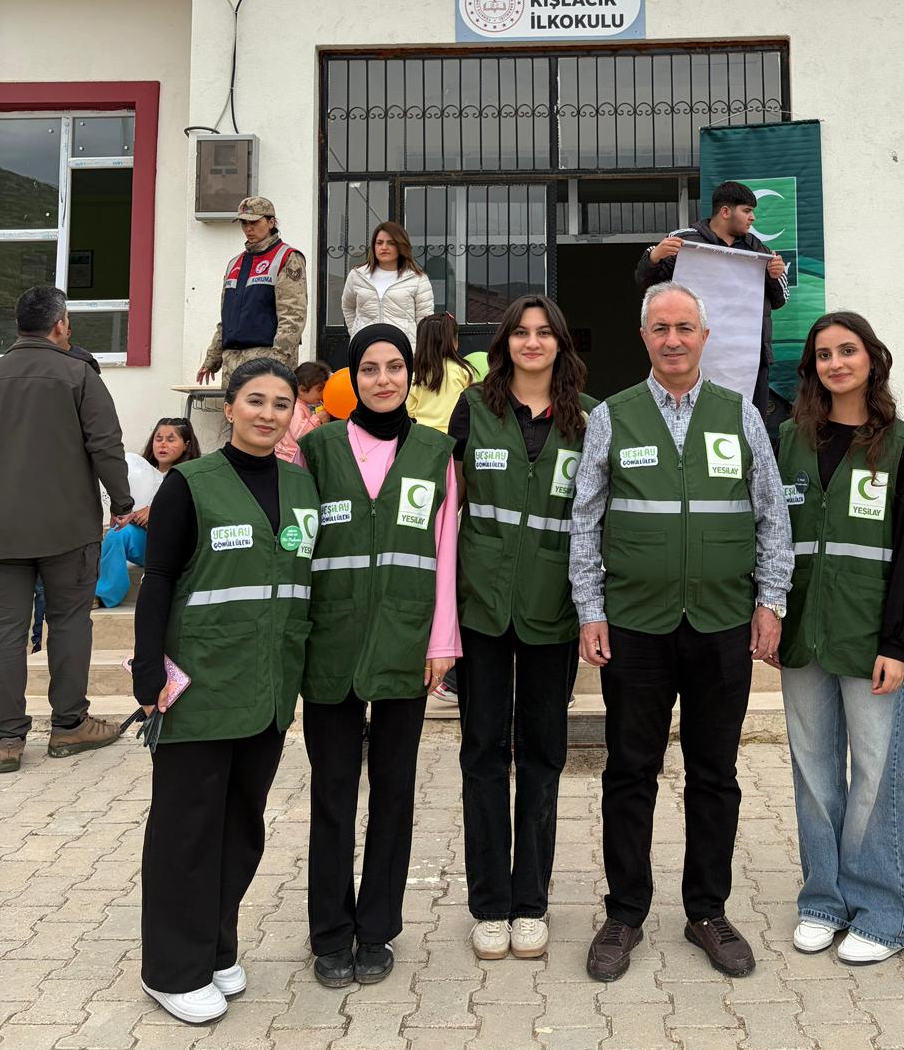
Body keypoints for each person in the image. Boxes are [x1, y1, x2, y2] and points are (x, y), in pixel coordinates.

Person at [570, 281, 792, 982]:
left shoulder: (739, 414)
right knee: (631, 771)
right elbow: (585, 517)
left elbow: (771, 515)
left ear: (704, 336)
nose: (673, 339)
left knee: (714, 774)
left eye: (685, 327)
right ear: (645, 338)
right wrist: (590, 608)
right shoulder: (612, 416)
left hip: (723, 624)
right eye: (660, 328)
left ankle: (708, 911)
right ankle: (624, 912)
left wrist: (771, 600)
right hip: (634, 626)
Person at [133, 359, 320, 1026]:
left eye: (280, 403)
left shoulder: (302, 487)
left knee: (240, 828)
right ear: (230, 407)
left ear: (294, 413)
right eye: (254, 401)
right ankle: (171, 970)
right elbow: (157, 581)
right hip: (200, 686)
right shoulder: (192, 483)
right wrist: (146, 671)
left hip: (268, 687)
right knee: (186, 830)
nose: (267, 414)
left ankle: (214, 948)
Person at [298, 323, 459, 989]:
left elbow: (446, 549)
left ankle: (377, 927)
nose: (384, 378)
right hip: (329, 641)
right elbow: (296, 546)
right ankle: (330, 932)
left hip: (404, 639)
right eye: (370, 368)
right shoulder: (317, 449)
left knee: (392, 794)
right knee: (333, 793)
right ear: (350, 378)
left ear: (411, 375)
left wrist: (442, 641)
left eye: (396, 366)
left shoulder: (436, 452)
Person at [773, 313, 904, 964]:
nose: (837, 362)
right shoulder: (788, 439)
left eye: (849, 350)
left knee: (876, 775)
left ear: (872, 358)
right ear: (810, 368)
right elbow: (770, 535)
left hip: (871, 638)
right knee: (813, 776)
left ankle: (886, 910)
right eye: (824, 354)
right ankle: (824, 899)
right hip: (803, 634)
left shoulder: (902, 443)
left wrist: (898, 643)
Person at [448, 295, 595, 963]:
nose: (532, 343)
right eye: (520, 333)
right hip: (480, 606)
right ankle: (490, 903)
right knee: (482, 751)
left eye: (545, 333)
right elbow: (444, 505)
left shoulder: (588, 422)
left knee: (543, 753)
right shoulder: (472, 409)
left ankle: (530, 901)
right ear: (503, 343)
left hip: (552, 610)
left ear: (561, 345)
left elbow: (599, 520)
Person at [0, 285, 135, 774]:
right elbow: (106, 445)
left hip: (3, 531)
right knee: (71, 622)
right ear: (60, 325)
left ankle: (6, 739)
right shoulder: (78, 374)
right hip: (68, 528)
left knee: (5, 632)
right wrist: (122, 502)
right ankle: (69, 724)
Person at [635, 181, 789, 420]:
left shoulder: (759, 249)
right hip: (694, 349)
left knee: (747, 421)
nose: (753, 218)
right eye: (747, 211)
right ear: (726, 211)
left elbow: (780, 300)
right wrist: (653, 257)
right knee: (690, 417)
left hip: (748, 357)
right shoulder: (683, 240)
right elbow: (646, 285)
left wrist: (776, 275)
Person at [197, 197, 308, 386]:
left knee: (265, 414)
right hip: (232, 361)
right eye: (244, 223)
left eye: (254, 222)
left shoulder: (287, 257)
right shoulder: (235, 263)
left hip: (267, 359)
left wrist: (277, 361)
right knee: (234, 415)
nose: (248, 228)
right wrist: (212, 359)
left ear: (271, 222)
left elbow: (293, 316)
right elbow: (227, 319)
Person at [95, 418, 202, 608]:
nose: (162, 444)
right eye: (158, 438)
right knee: (116, 534)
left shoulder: (193, 477)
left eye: (170, 439)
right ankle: (105, 595)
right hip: (146, 545)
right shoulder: (139, 473)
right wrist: (128, 515)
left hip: (176, 550)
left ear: (186, 445)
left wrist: (156, 511)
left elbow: (195, 519)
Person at [340, 221, 435, 348]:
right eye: (379, 242)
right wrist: (356, 333)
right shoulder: (357, 275)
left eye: (391, 243)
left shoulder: (417, 279)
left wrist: (417, 348)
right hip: (365, 347)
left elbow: (425, 320)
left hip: (402, 349)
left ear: (401, 246)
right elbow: (348, 306)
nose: (384, 247)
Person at [407, 314, 477, 434]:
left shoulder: (417, 375)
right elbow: (474, 403)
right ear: (453, 341)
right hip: (455, 435)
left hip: (423, 437)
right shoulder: (464, 371)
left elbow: (410, 409)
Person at [276, 361, 332, 464]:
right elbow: (301, 435)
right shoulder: (296, 407)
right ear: (302, 390)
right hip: (291, 459)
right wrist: (318, 418)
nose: (323, 393)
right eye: (319, 389)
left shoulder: (301, 405)